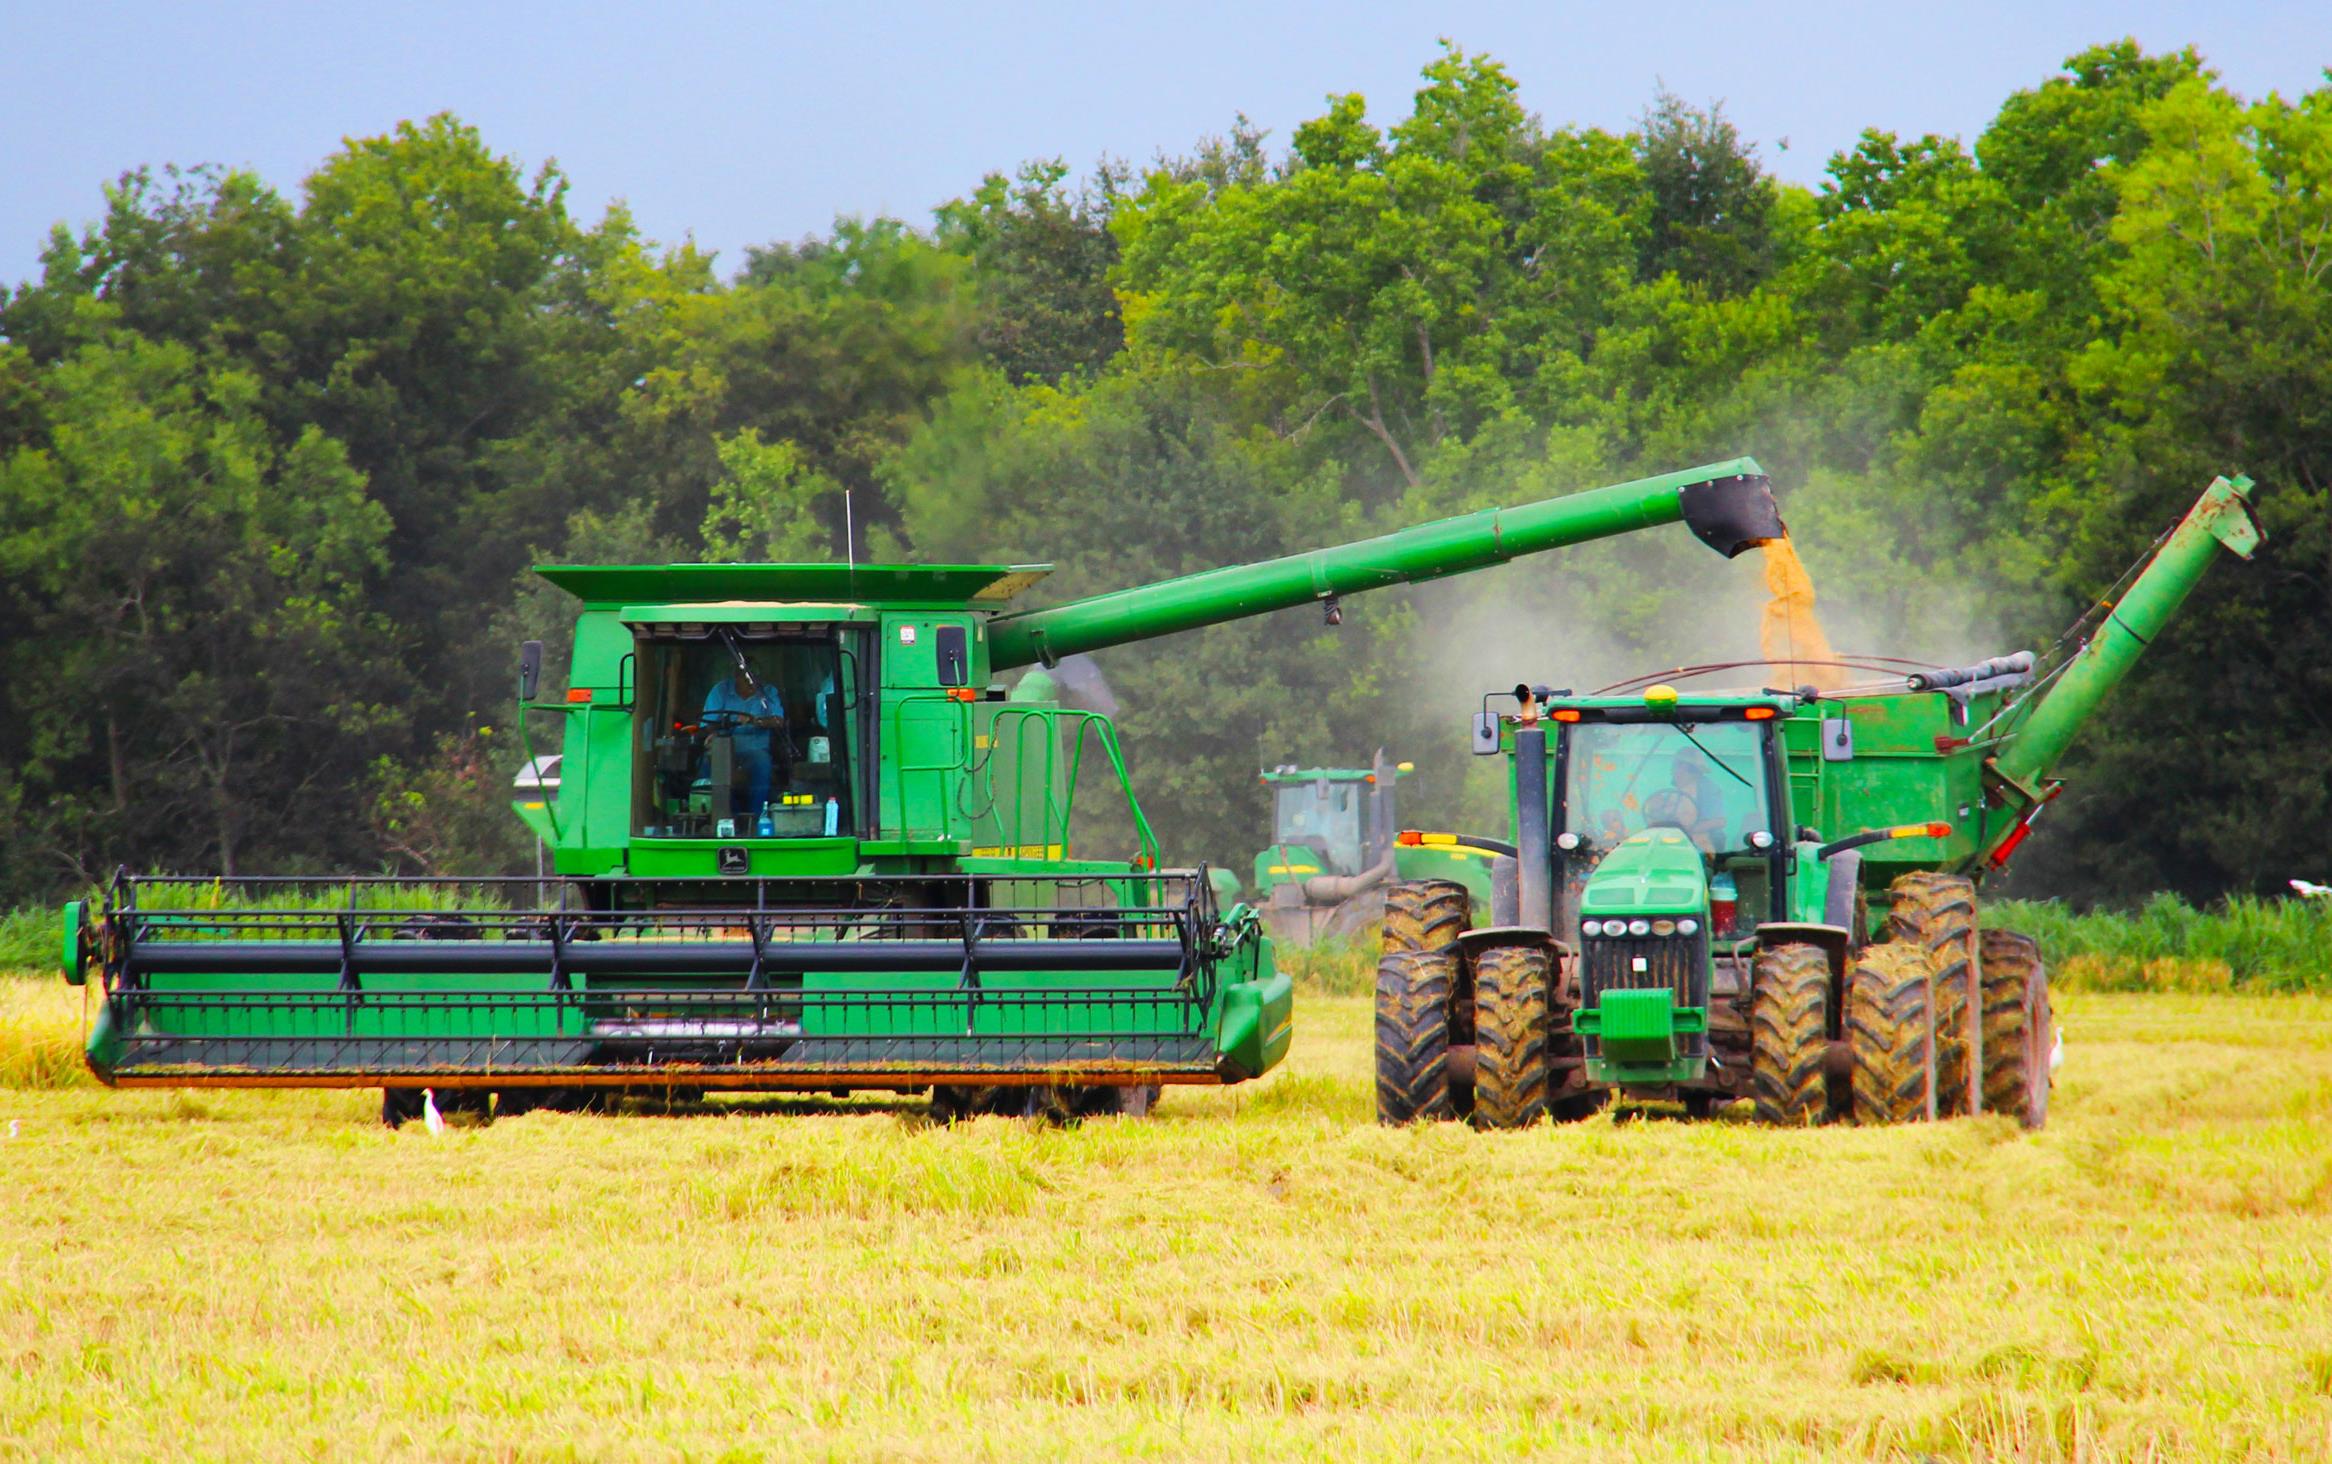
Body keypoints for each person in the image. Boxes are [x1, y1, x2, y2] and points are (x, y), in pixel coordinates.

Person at [702, 665, 785, 822]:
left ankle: (755, 818)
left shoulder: (768, 692)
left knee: (762, 763)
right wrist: (715, 733)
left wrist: (755, 720)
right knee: (706, 766)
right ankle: (722, 817)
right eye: (746, 679)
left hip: (756, 751)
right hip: (725, 748)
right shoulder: (721, 690)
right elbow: (708, 723)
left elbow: (778, 720)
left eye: (754, 678)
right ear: (736, 677)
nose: (751, 684)